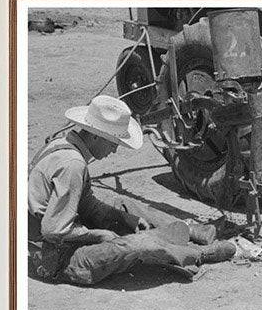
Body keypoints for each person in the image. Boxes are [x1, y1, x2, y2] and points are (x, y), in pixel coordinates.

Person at [28, 95, 236, 285]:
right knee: (132, 245)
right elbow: (53, 230)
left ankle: (189, 230)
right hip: (56, 257)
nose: (115, 149)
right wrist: (98, 235)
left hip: (58, 228)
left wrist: (124, 218)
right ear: (95, 136)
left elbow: (85, 203)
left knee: (122, 206)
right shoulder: (72, 164)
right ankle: (197, 253)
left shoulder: (66, 144)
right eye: (113, 142)